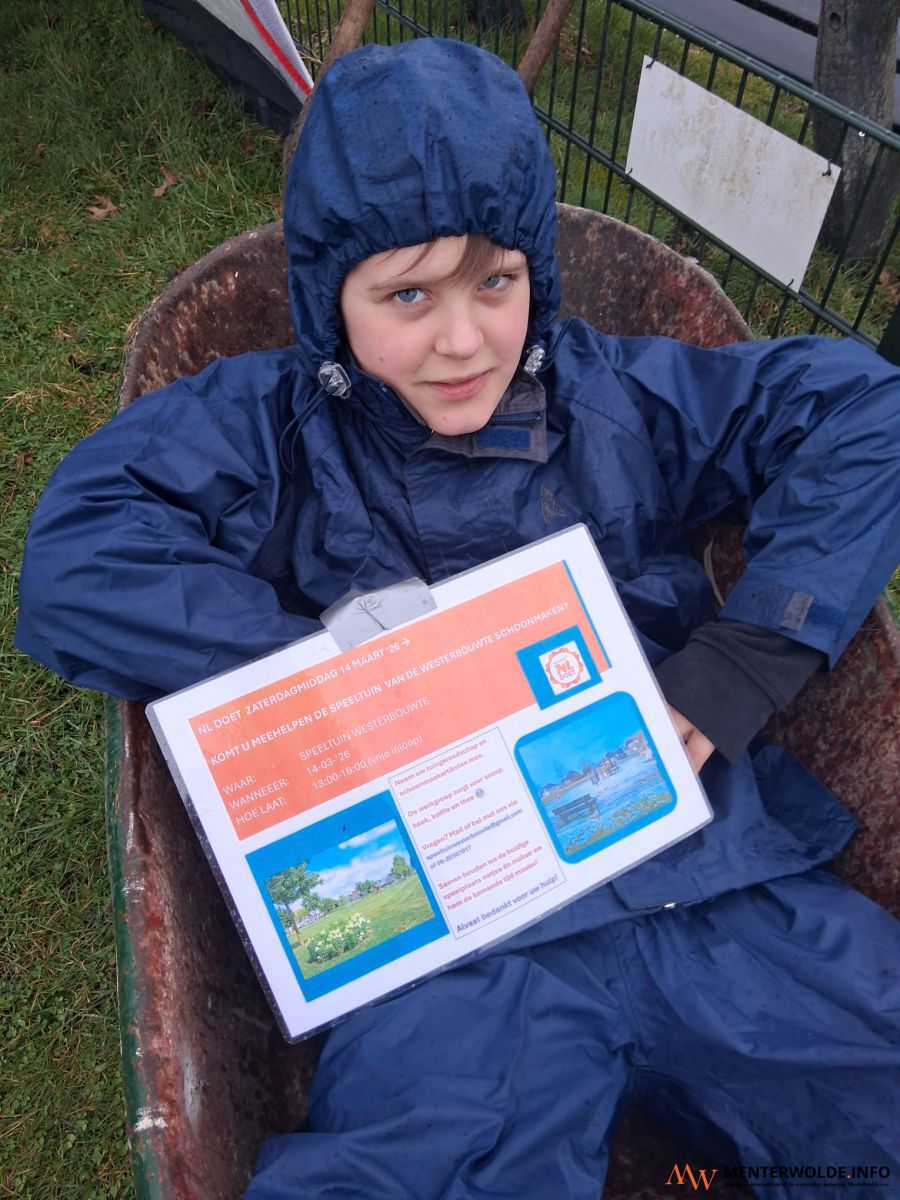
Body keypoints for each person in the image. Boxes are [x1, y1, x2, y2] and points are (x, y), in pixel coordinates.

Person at [16, 36, 900, 1200]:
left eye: (496, 282)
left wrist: (742, 660)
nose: (464, 340)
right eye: (406, 296)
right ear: (326, 298)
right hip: (447, 944)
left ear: (540, 271)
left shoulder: (612, 400)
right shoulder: (276, 433)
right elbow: (81, 551)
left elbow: (860, 409)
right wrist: (319, 666)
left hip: (694, 866)